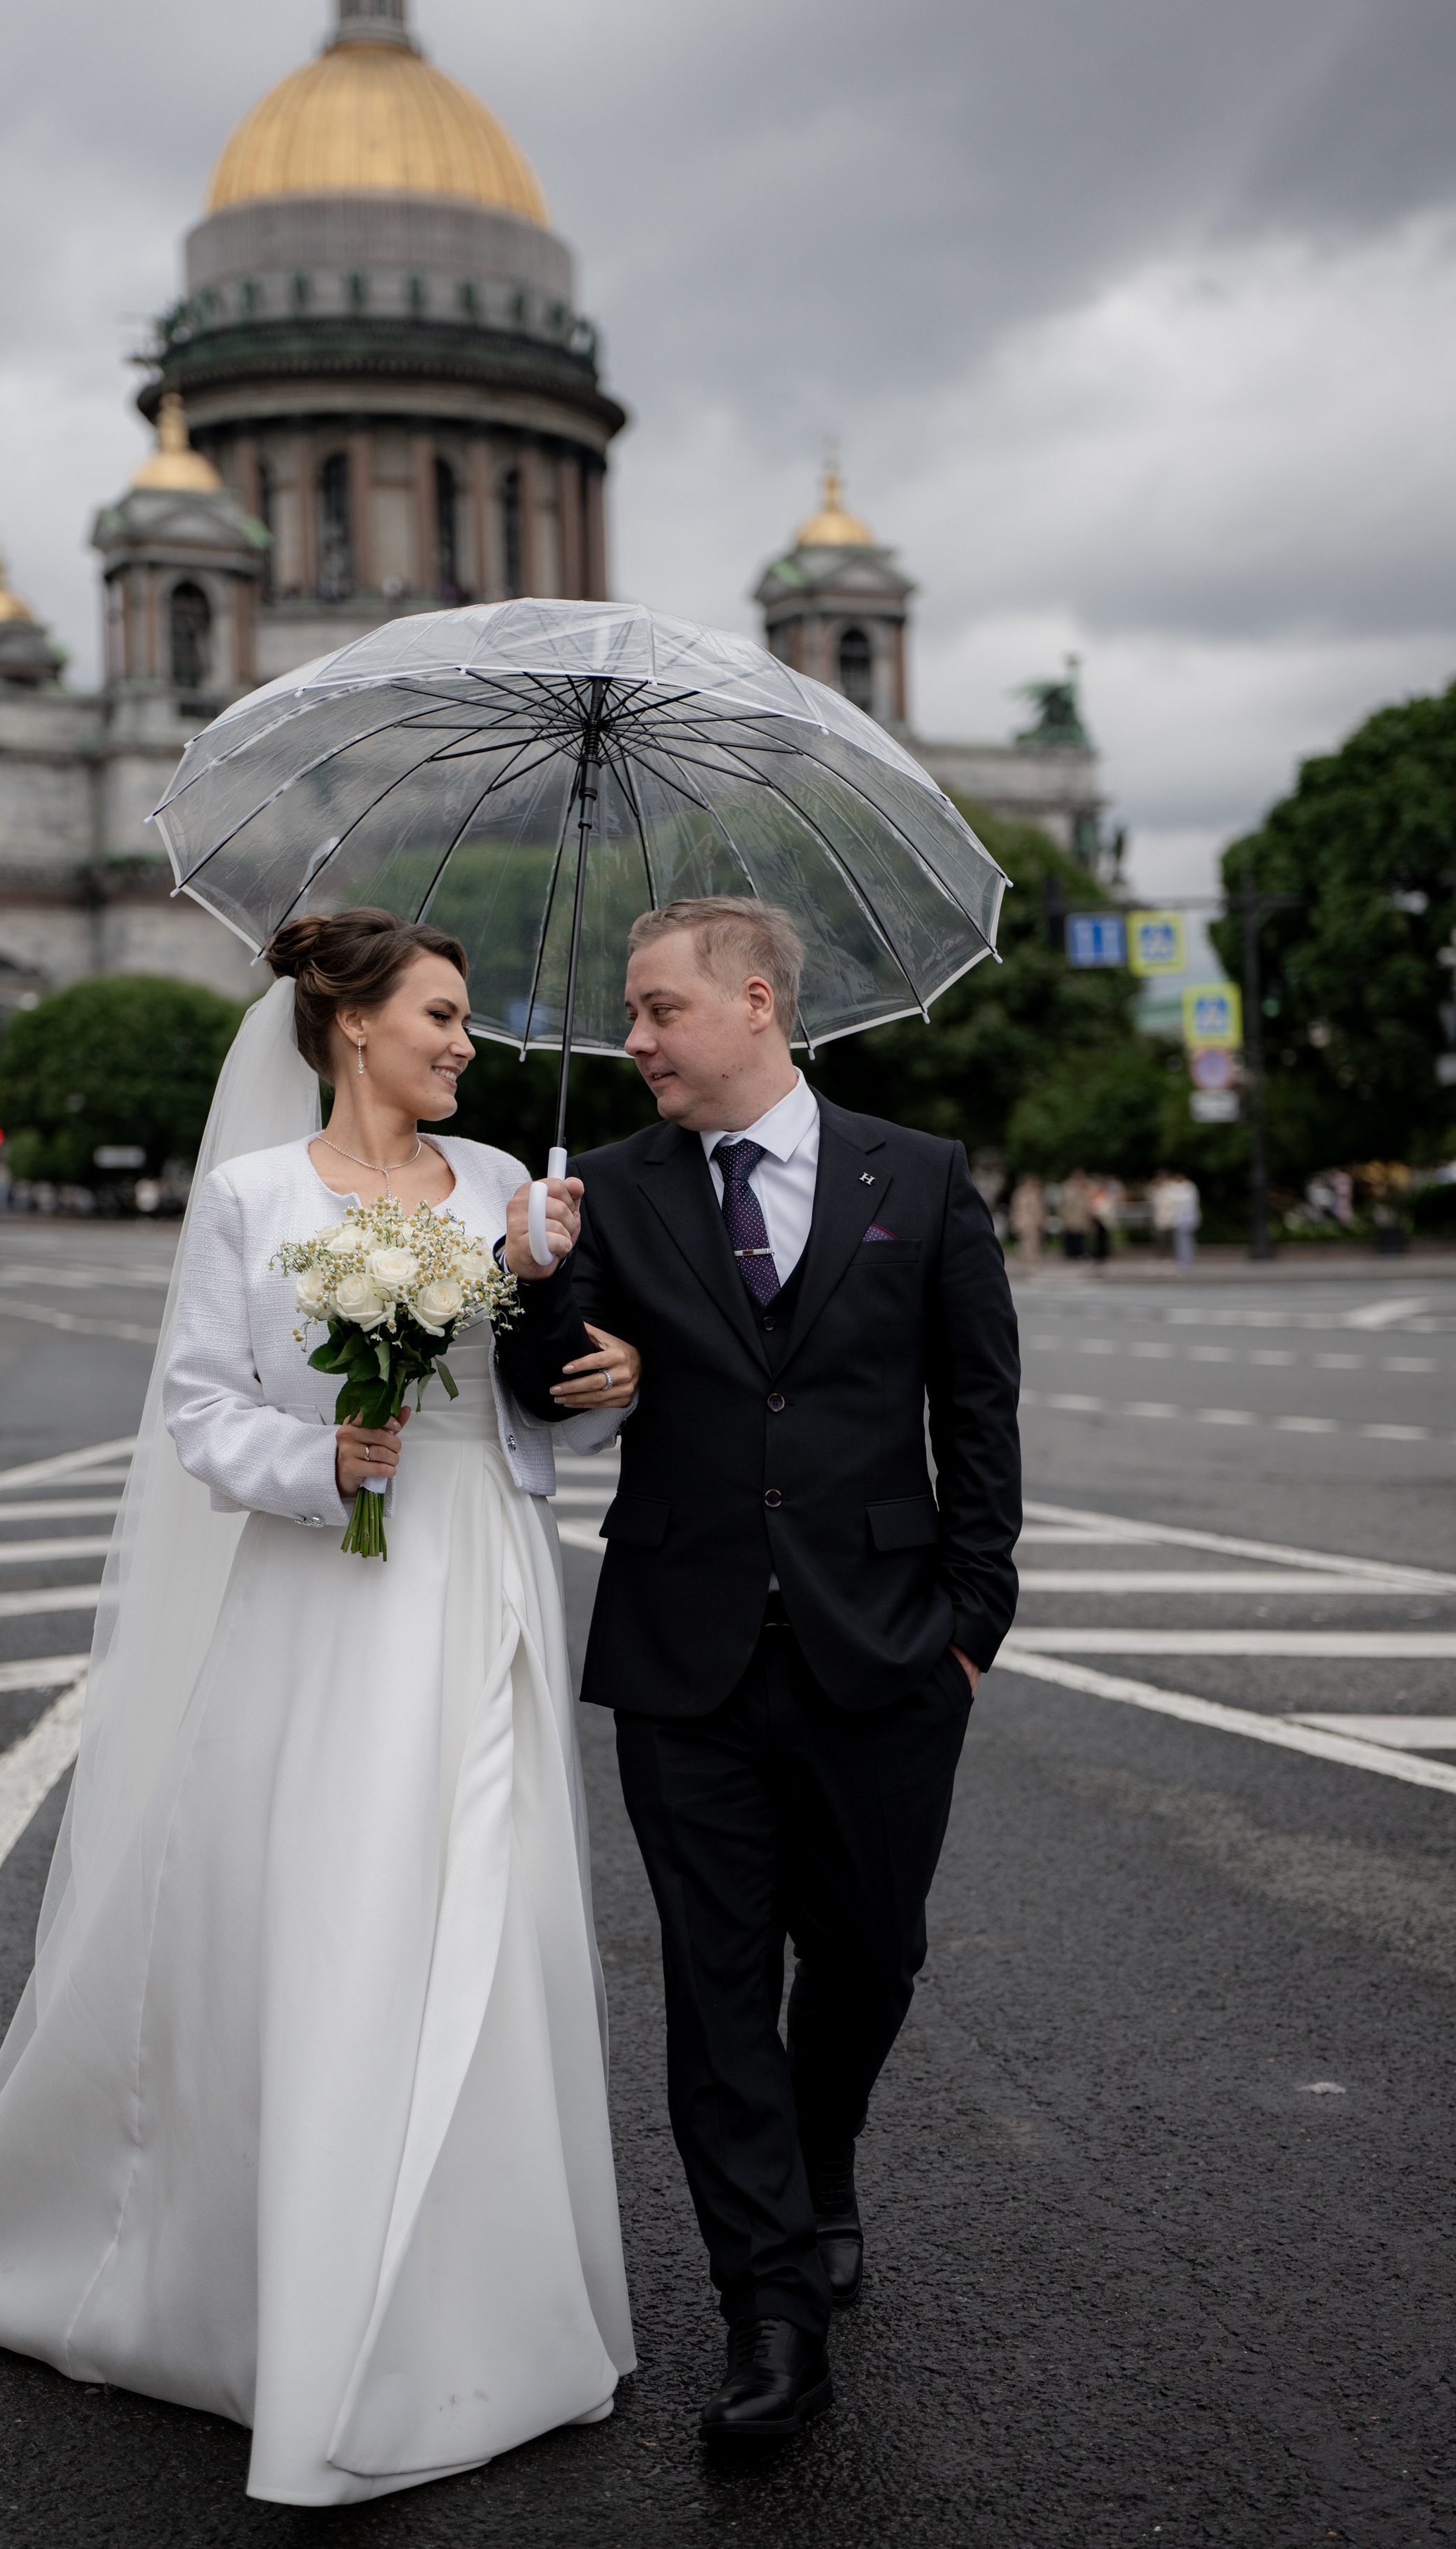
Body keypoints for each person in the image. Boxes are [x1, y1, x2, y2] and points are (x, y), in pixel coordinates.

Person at [0, 910, 639, 2505]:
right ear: (351, 1025)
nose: (463, 1041)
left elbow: (528, 1399)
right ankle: (276, 2286)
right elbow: (198, 1410)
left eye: (467, 1020)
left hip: (473, 1575)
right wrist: (322, 1463)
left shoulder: (513, 1183)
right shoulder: (254, 1197)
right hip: (320, 1590)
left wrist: (596, 1372)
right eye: (440, 1014)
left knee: (476, 1905)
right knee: (327, 1911)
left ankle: (475, 2296)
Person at [497, 897, 1020, 2443]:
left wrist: (972, 1626)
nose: (634, 1041)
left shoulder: (913, 1176)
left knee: (869, 1957)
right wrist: (536, 1287)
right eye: (629, 1016)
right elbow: (550, 1389)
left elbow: (976, 1415)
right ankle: (768, 2315)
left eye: (656, 1011)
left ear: (753, 1001)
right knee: (717, 1990)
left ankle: (821, 2156)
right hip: (684, 1657)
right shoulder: (601, 1186)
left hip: (885, 1650)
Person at [1008, 1171, 1045, 1270]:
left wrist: (1041, 1219)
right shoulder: (1020, 1193)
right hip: (1023, 1219)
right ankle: (1025, 1257)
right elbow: (1015, 1208)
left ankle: (1032, 1257)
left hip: (1034, 1220)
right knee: (1024, 1239)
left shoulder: (1037, 1193)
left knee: (1034, 1239)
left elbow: (1041, 1209)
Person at [1058, 1167, 1093, 1261]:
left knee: (1081, 1236)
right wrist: (1064, 1217)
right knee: (1071, 1236)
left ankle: (1080, 1253)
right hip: (1071, 1216)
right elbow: (1062, 1204)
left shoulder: (1086, 1185)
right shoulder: (1066, 1187)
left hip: (1082, 1217)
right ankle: (1071, 1254)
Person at [1168, 1168, 1201, 1269]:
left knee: (1186, 1240)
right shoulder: (1174, 1186)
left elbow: (1185, 1201)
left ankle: (1187, 1261)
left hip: (1187, 1218)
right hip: (1178, 1218)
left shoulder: (1189, 1187)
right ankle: (1183, 1260)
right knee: (1180, 1241)